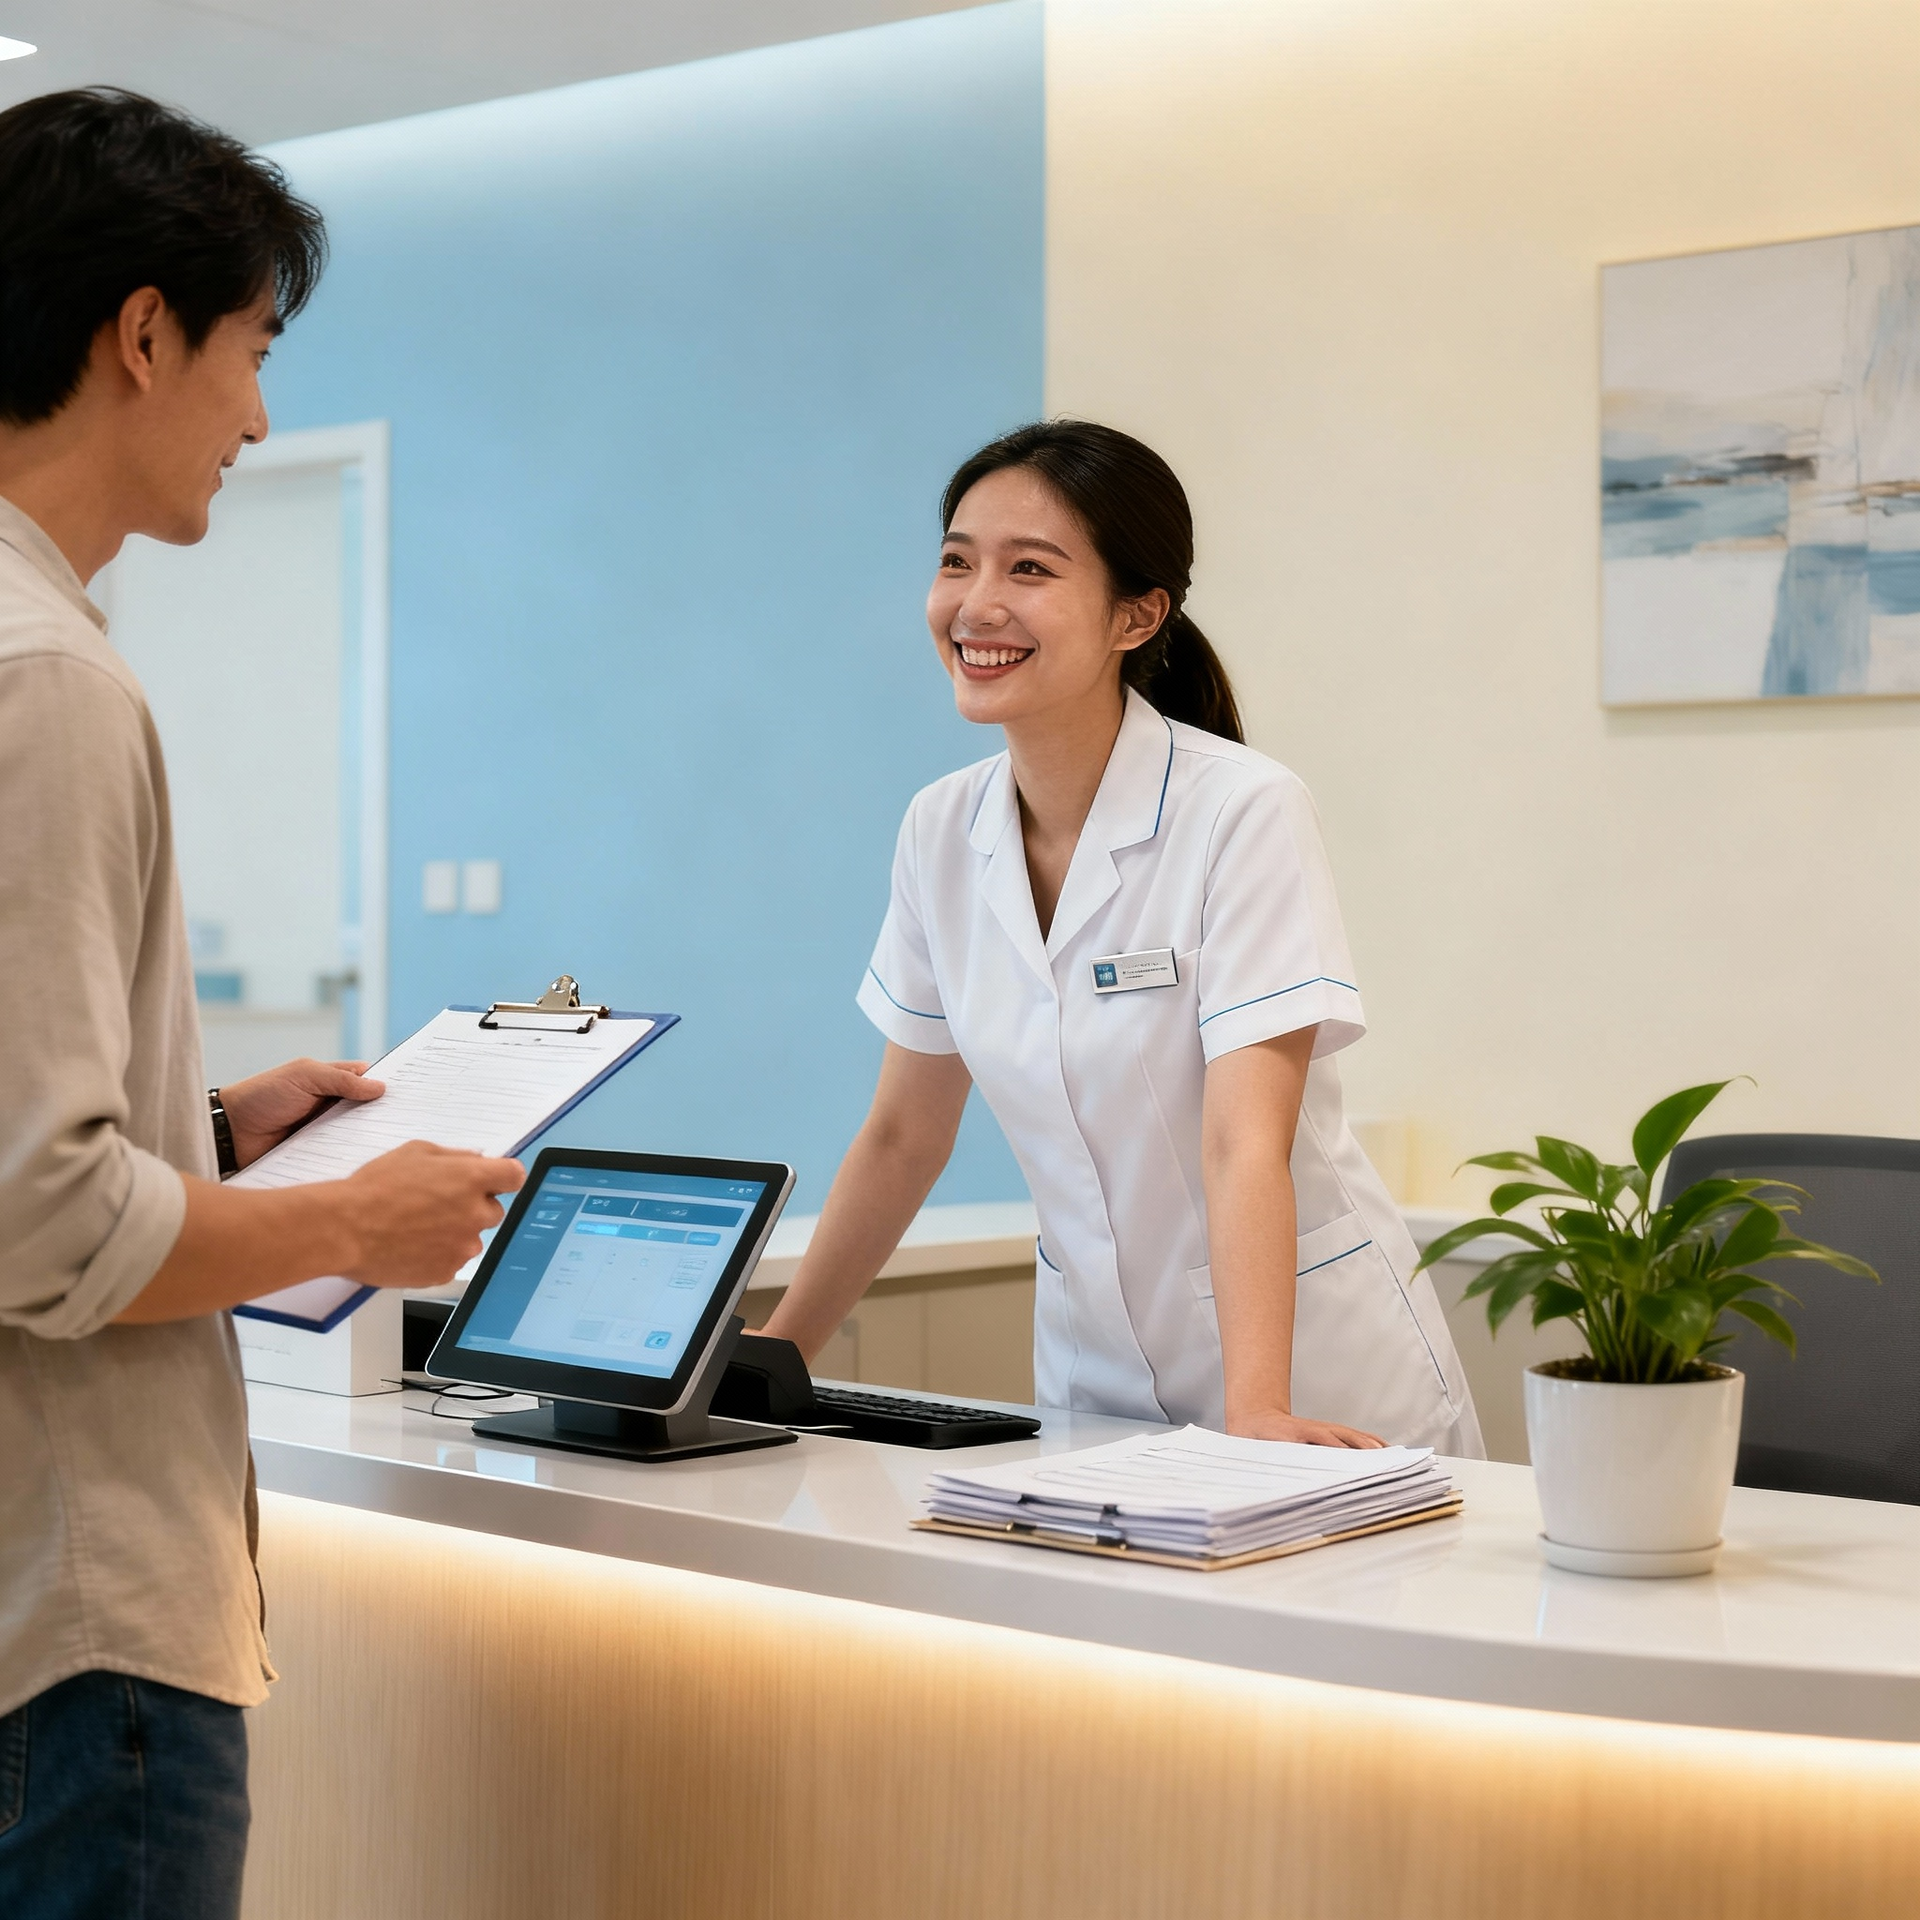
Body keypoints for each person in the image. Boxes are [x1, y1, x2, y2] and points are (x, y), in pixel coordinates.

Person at [0, 89, 524, 1918]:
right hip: (80, 1633)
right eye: (250, 351)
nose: (259, 417)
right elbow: (45, 1218)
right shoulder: (46, 679)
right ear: (142, 333)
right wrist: (350, 1218)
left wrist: (209, 1134)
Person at [764, 421, 1482, 1453]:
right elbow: (902, 1136)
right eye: (957, 561)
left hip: (1312, 1386)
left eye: (1030, 570)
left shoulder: (1241, 811)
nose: (977, 604)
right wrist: (773, 1362)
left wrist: (1257, 1411)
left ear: (1136, 616)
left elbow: (1245, 1139)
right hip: (1092, 1384)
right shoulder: (939, 829)